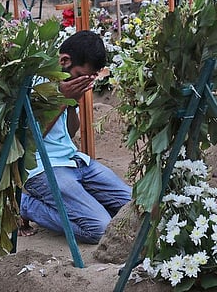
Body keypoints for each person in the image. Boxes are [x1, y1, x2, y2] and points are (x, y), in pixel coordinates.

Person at [19, 30, 132, 244]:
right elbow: (30, 139)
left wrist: (72, 103)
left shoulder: (69, 85)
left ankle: (87, 205)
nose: (80, 82)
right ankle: (26, 205)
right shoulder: (35, 82)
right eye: (79, 75)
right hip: (43, 167)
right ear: (64, 60)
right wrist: (63, 100)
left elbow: (70, 133)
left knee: (135, 208)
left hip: (77, 162)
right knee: (101, 230)